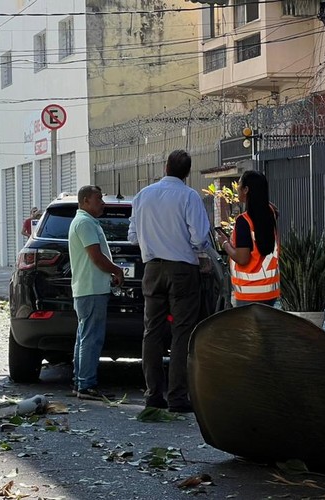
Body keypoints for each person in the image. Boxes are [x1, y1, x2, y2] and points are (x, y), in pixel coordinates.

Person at [128, 149, 211, 414]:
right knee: (182, 332)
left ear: (165, 167)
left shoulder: (143, 196)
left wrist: (153, 242)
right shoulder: (189, 196)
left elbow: (133, 236)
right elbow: (199, 237)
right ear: (187, 172)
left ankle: (153, 394)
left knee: (151, 331)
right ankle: (177, 396)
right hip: (182, 269)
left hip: (152, 268)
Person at [69, 186, 125, 400]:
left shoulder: (86, 221)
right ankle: (86, 385)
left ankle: (80, 381)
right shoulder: (84, 223)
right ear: (85, 201)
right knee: (91, 337)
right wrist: (116, 269)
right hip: (90, 289)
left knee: (84, 336)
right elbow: (96, 257)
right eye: (98, 198)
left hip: (89, 287)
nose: (102, 202)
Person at [215, 170, 280, 306]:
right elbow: (271, 207)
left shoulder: (243, 221)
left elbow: (242, 259)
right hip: (270, 290)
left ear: (246, 190)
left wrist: (225, 243)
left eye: (239, 185)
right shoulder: (270, 213)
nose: (237, 188)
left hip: (249, 292)